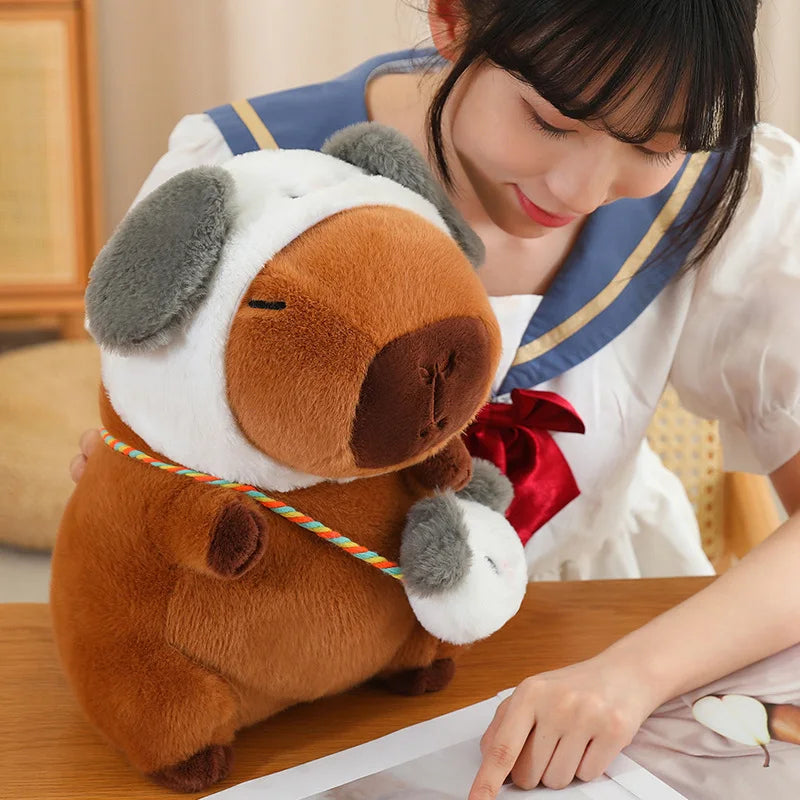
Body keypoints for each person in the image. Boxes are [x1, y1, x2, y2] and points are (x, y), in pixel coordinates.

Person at [70, 1, 800, 797]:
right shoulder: (247, 173)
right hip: (287, 654)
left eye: (654, 146)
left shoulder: (727, 193)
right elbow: (136, 456)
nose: (583, 188)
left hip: (593, 623)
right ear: (453, 19)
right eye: (551, 120)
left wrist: (631, 675)